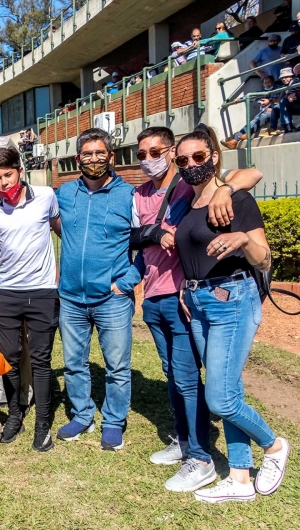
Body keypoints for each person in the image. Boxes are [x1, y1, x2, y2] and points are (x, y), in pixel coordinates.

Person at [130, 127, 263, 492]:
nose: (190, 165)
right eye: (141, 154)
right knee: (182, 376)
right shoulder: (172, 195)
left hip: (213, 299)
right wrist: (154, 235)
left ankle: (209, 455)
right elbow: (134, 236)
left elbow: (251, 173)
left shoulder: (208, 191)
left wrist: (226, 188)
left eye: (197, 158)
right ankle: (216, 459)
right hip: (180, 298)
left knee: (208, 387)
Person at [173, 125, 290, 504]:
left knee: (220, 399)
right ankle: (240, 479)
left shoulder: (236, 200)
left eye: (198, 157)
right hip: (199, 303)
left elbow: (265, 258)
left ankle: (273, 447)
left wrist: (243, 239)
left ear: (214, 157)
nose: (191, 165)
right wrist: (186, 287)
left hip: (233, 300)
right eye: (183, 160)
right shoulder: (186, 203)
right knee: (230, 389)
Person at [53, 128, 141, 451]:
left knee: (117, 366)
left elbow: (145, 244)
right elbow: (51, 222)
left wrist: (126, 283)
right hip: (71, 298)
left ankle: (114, 421)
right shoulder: (63, 194)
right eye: (87, 154)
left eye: (99, 153)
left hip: (112, 299)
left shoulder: (128, 195)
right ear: (78, 159)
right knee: (74, 362)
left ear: (111, 156)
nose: (93, 159)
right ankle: (82, 414)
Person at [0, 148, 60, 451]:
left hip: (41, 291)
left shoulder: (46, 196)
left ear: (20, 171)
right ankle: (15, 416)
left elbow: (63, 232)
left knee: (41, 361)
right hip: (6, 294)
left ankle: (42, 424)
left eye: (7, 174)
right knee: (9, 360)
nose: (3, 182)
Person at [222, 75, 280, 146]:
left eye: (269, 83)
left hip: (274, 112)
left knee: (262, 117)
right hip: (263, 112)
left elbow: (282, 99)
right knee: (250, 124)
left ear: (273, 82)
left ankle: (248, 134)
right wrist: (240, 99)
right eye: (265, 83)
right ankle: (234, 141)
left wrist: (270, 101)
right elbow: (251, 96)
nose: (268, 85)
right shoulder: (262, 91)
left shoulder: (278, 89)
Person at [277, 66, 300, 133]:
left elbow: (291, 97)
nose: (284, 79)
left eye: (286, 77)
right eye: (282, 78)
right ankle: (274, 127)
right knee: (276, 107)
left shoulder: (295, 81)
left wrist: (295, 96)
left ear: (291, 76)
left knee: (283, 102)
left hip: (297, 103)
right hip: (294, 104)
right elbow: (283, 97)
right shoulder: (285, 86)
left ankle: (287, 126)